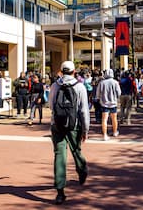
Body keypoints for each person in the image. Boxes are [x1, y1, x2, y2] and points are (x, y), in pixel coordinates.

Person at [49, 60, 89, 205]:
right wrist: (85, 129)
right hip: (74, 125)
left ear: (61, 71)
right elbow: (84, 110)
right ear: (74, 72)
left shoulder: (55, 86)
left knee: (59, 155)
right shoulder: (79, 87)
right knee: (76, 150)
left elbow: (51, 105)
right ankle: (82, 170)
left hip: (57, 125)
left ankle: (60, 192)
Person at [96, 69, 121, 141]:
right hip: (113, 103)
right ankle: (115, 132)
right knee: (114, 118)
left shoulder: (102, 82)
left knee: (104, 119)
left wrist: (98, 98)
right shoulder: (115, 82)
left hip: (104, 103)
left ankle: (104, 135)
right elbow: (119, 93)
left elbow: (98, 93)